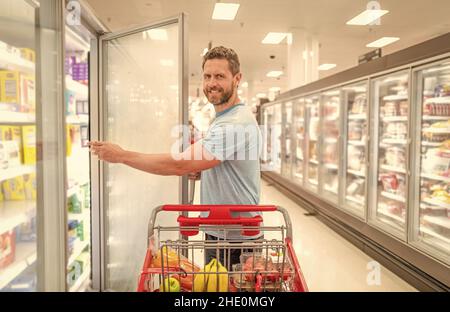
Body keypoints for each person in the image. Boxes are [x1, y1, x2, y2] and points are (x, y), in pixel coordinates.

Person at [89, 46, 262, 269]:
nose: (212, 83)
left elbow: (178, 163)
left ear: (237, 79)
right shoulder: (224, 117)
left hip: (237, 238)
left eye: (220, 76)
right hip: (222, 229)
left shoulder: (234, 123)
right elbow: (224, 162)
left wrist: (122, 155)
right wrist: (204, 171)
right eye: (207, 76)